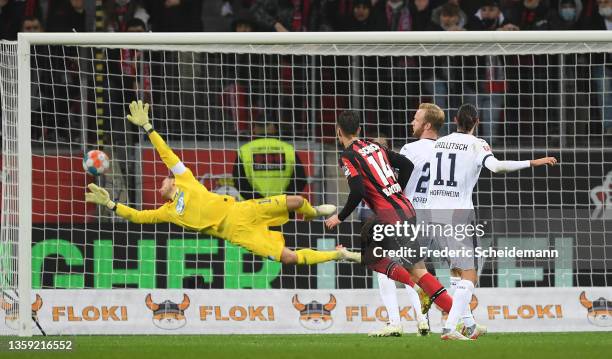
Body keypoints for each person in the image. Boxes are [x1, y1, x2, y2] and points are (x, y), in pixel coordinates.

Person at [86, 101, 361, 266]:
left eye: (166, 177)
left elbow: (167, 154)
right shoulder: (169, 212)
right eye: (162, 182)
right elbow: (137, 216)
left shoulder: (186, 180)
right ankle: (338, 256)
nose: (163, 179)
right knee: (288, 258)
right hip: (237, 233)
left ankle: (317, 213)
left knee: (297, 201)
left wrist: (148, 128)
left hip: (244, 210)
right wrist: (111, 203)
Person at [424, 103, 557, 340]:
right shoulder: (478, 144)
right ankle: (449, 327)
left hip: (435, 211)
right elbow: (496, 167)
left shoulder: (440, 143)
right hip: (458, 213)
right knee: (470, 275)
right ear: (476, 122)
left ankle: (469, 325)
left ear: (455, 120)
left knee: (455, 271)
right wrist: (532, 163)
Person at [324, 111, 455, 336]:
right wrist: (395, 191)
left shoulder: (348, 156)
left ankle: (419, 304)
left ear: (339, 131)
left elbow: (357, 190)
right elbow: (406, 166)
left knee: (372, 256)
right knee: (418, 271)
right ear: (358, 129)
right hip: (406, 209)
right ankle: (459, 317)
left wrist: (340, 216)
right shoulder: (375, 146)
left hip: (389, 216)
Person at [367, 103, 444, 338]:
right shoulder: (446, 149)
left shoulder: (410, 149)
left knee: (383, 266)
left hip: (408, 215)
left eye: (416, 118)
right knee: (414, 269)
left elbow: (395, 178)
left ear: (427, 124)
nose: (412, 122)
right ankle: (422, 321)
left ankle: (395, 322)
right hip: (436, 216)